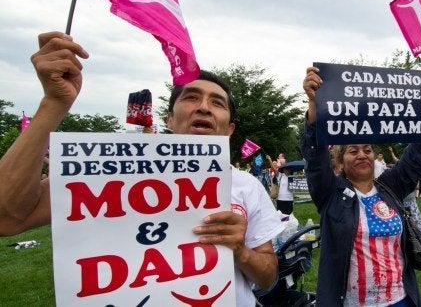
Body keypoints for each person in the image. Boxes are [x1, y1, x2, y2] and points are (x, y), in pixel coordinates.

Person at [0, 32, 283, 307]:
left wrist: (241, 253)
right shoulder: (109, 172)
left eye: (217, 103)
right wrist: (53, 103)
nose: (204, 108)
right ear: (170, 120)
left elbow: (268, 279)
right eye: (191, 98)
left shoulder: (246, 185)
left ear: (229, 128)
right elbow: (7, 218)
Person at [300, 66, 421, 306]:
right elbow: (315, 158)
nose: (362, 155)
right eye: (352, 151)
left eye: (367, 149)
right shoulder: (330, 193)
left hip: (400, 299)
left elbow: (418, 154)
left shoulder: (389, 186)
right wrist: (314, 106)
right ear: (341, 161)